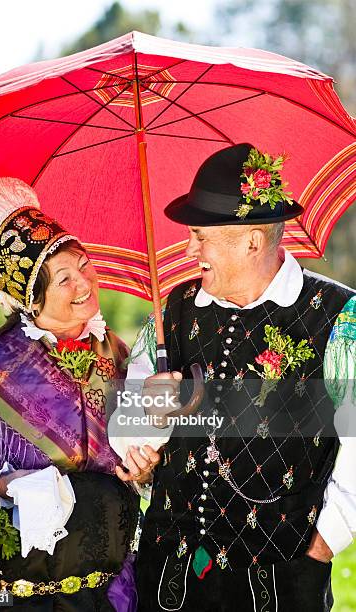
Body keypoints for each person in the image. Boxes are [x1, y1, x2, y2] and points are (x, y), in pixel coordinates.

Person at [109, 143, 355, 611]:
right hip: (169, 577)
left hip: (279, 583)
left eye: (200, 236)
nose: (189, 249)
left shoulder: (339, 319)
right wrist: (146, 425)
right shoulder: (174, 312)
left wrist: (322, 545)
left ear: (252, 240)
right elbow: (125, 427)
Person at [0, 177, 159, 611]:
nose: (84, 283)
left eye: (83, 265)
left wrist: (145, 467)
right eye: (64, 278)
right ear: (32, 299)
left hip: (112, 590)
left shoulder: (122, 356)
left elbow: (145, 468)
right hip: (29, 596)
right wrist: (4, 484)